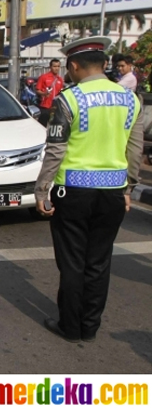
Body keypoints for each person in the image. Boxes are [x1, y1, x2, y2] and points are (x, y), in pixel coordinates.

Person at [35, 37, 143, 343]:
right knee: (99, 262)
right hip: (112, 193)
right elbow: (133, 152)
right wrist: (127, 188)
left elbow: (55, 150)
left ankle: (70, 326)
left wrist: (42, 190)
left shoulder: (68, 100)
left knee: (72, 263)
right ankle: (90, 326)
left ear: (72, 66)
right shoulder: (130, 99)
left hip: (73, 192)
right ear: (105, 64)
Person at [35, 59, 64, 127]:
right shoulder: (44, 77)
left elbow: (60, 92)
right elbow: (37, 90)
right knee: (43, 126)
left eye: (58, 66)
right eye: (54, 66)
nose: (56, 68)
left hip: (55, 107)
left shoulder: (60, 79)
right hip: (45, 106)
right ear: (50, 67)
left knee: (54, 126)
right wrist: (44, 94)